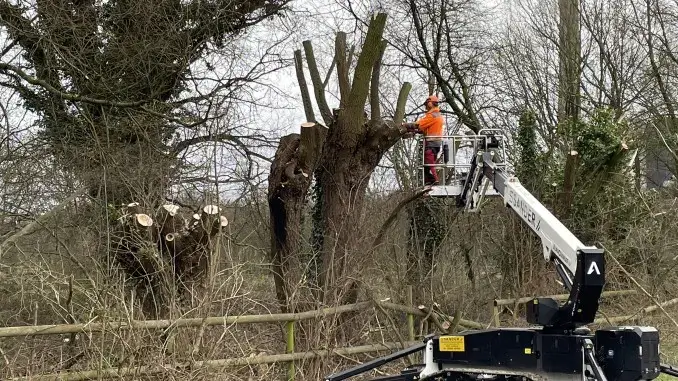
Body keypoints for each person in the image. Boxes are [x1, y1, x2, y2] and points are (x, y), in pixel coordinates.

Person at [403, 95, 444, 185]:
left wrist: (405, 125)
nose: (425, 106)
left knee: (429, 162)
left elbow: (419, 124)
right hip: (435, 143)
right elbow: (423, 128)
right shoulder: (436, 115)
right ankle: (429, 181)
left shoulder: (433, 115)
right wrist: (415, 131)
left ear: (430, 103)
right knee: (427, 163)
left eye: (426, 104)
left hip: (432, 143)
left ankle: (434, 180)